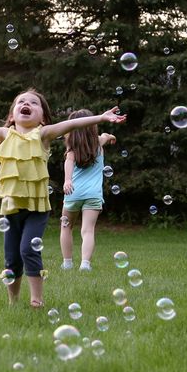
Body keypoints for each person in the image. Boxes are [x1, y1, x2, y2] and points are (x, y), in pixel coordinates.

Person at [0, 89, 126, 307]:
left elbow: (71, 125)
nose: (26, 104)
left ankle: (36, 300)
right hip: (11, 207)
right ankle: (13, 301)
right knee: (11, 258)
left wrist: (101, 117)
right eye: (21, 102)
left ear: (43, 118)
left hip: (37, 208)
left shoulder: (43, 134)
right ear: (12, 114)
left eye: (33, 103)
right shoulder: (4, 135)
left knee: (28, 250)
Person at [60, 108, 118, 272]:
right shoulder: (98, 142)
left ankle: (67, 263)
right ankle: (85, 264)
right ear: (93, 127)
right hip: (93, 194)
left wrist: (68, 180)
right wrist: (112, 137)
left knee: (66, 226)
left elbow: (68, 163)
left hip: (74, 193)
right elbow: (107, 136)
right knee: (88, 230)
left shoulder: (72, 149)